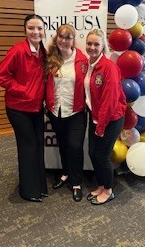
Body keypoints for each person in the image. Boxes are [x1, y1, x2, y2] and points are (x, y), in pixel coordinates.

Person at [0, 14, 47, 202]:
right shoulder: (17, 51)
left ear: (44, 30)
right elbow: (0, 77)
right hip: (18, 109)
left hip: (36, 108)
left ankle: (40, 186)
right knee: (28, 146)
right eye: (31, 28)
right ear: (24, 30)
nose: (36, 32)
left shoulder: (43, 51)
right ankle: (28, 191)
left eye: (39, 28)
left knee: (38, 145)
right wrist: (24, 91)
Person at [45, 24, 88, 202]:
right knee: (62, 144)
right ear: (57, 38)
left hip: (76, 111)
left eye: (68, 37)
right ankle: (65, 173)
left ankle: (76, 182)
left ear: (73, 40)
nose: (64, 40)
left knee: (75, 147)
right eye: (61, 37)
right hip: (56, 111)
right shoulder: (51, 59)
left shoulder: (82, 60)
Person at [84, 29, 127, 205]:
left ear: (103, 47)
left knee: (102, 155)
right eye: (89, 43)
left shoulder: (109, 67)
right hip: (96, 116)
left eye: (96, 44)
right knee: (93, 153)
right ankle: (101, 185)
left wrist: (100, 126)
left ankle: (108, 191)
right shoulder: (89, 64)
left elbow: (109, 101)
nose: (92, 47)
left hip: (110, 118)